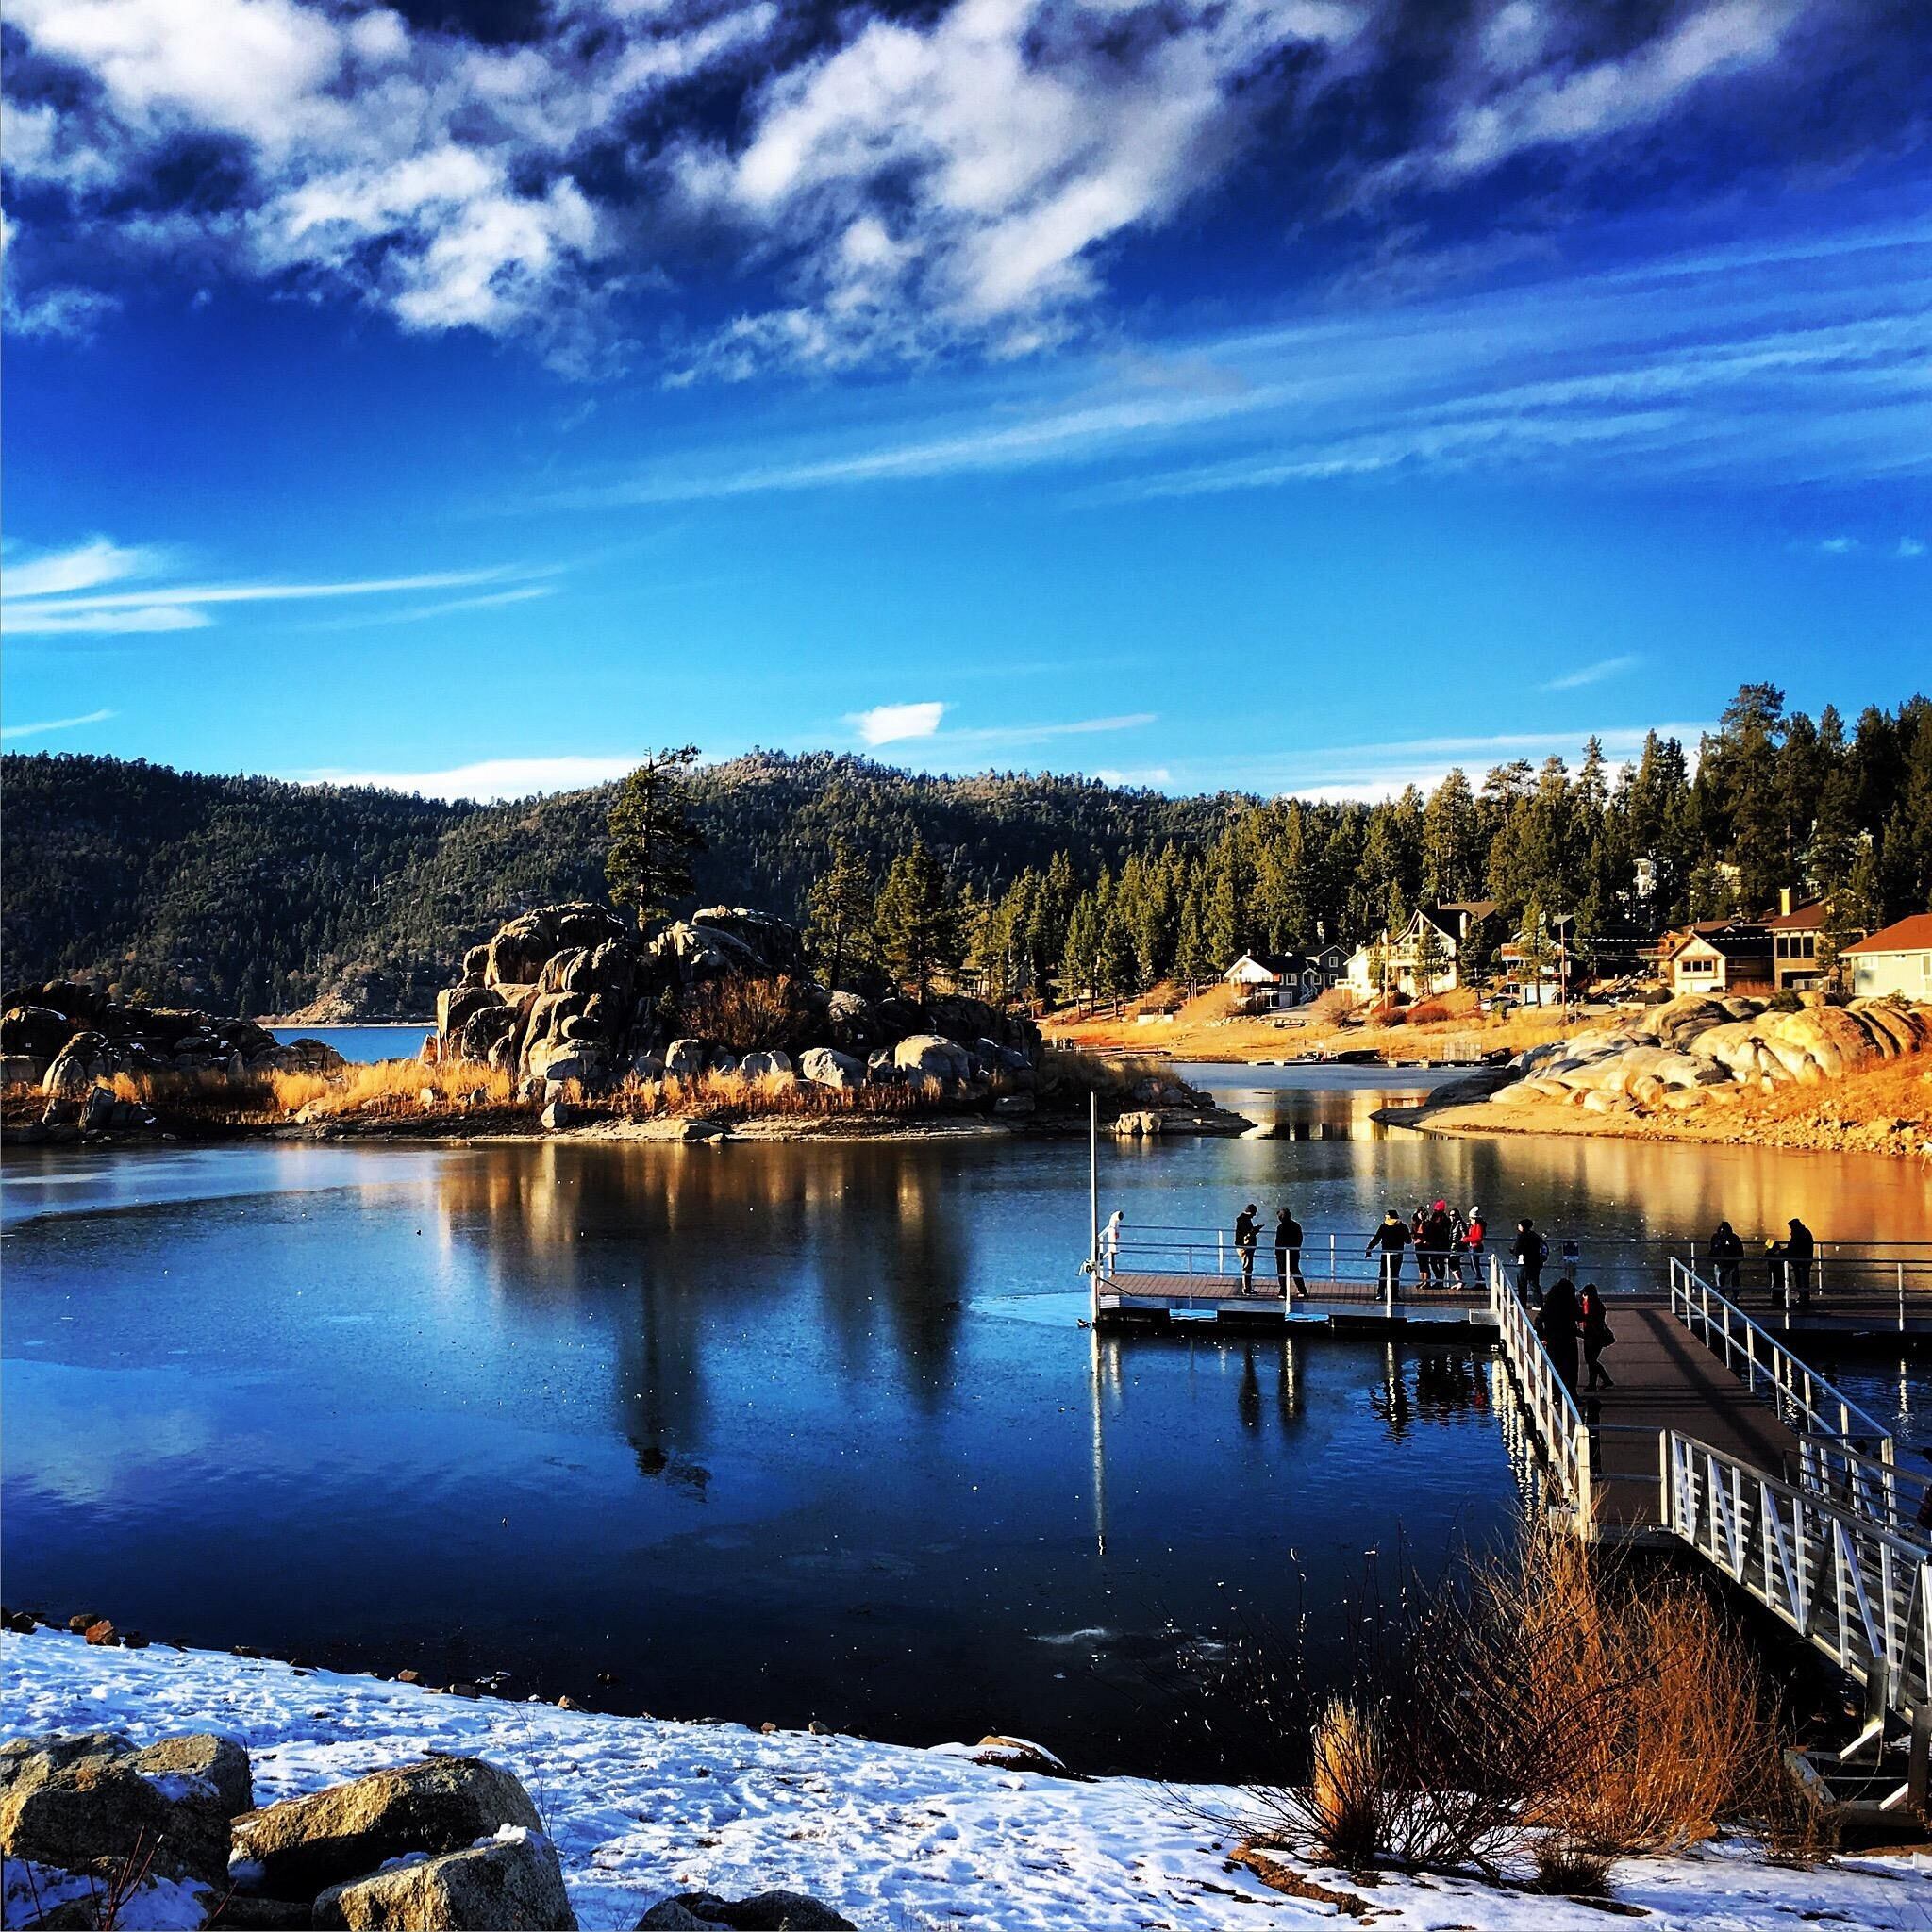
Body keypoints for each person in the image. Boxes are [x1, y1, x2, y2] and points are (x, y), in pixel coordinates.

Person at [1537, 1275, 1582, 1388]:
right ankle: (1571, 1392)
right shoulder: (1571, 1303)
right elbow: (1579, 1316)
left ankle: (1555, 1392)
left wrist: (1542, 1336)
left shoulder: (1550, 1305)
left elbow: (1538, 1320)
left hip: (1553, 1339)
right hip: (1568, 1339)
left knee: (1556, 1367)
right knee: (1571, 1368)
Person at [1770, 1217, 1815, 1308]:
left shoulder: (1800, 1234)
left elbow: (1794, 1248)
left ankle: (1804, 1298)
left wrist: (1782, 1253)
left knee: (1802, 1280)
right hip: (1802, 1260)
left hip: (1801, 1261)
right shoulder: (1803, 1232)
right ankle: (1804, 1297)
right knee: (1803, 1280)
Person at [1577, 1282, 1616, 1390]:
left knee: (1591, 1360)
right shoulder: (1597, 1305)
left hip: (1593, 1336)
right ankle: (1600, 1381)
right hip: (1595, 1335)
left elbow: (1586, 1318)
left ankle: (1597, 1382)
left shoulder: (1591, 1307)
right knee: (1592, 1360)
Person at [1366, 1210, 1410, 1299]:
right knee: (1395, 1274)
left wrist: (1369, 1248)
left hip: (1385, 1253)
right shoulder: (1403, 1227)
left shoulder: (1384, 1226)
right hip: (1398, 1254)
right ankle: (1394, 1295)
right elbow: (1408, 1241)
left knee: (1383, 1274)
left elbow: (1376, 1238)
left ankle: (1381, 1294)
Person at [1274, 1206, 1306, 1299]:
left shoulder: (1281, 1227)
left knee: (1282, 1272)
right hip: (1294, 1252)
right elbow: (1300, 1238)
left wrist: (1277, 1252)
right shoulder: (1296, 1225)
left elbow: (1278, 1241)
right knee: (1295, 1270)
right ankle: (1302, 1290)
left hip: (1283, 1253)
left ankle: (1283, 1291)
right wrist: (1296, 1248)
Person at [1422, 1199, 1454, 1286]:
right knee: (1435, 1263)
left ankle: (1439, 1281)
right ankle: (1439, 1280)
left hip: (1439, 1245)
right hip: (1437, 1245)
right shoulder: (1444, 1220)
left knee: (1439, 1263)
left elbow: (1441, 1232)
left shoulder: (1444, 1221)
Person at [1707, 1219, 1743, 1293]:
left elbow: (1740, 1252)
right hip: (1720, 1263)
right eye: (1722, 1232)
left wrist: (1735, 1262)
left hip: (1732, 1263)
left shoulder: (1734, 1238)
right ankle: (1721, 1297)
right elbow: (1712, 1251)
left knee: (1734, 1278)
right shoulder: (1716, 1238)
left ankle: (1734, 1297)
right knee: (1719, 1277)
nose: (1724, 1234)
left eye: (1726, 1232)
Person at [1513, 1218, 1547, 1296]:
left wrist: (1514, 1252)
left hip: (1524, 1263)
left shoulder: (1521, 1237)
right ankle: (1538, 1304)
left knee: (1522, 1285)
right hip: (1535, 1263)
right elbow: (1543, 1246)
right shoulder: (1535, 1236)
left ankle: (1522, 1303)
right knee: (1534, 1284)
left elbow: (1517, 1250)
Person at [1234, 1204, 1259, 1294]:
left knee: (1248, 1267)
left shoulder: (1242, 1219)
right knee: (1247, 1267)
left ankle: (1247, 1287)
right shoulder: (1245, 1220)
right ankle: (1246, 1289)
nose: (1254, 1215)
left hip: (1243, 1246)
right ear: (1250, 1212)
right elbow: (1247, 1235)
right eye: (1254, 1213)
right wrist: (1254, 1231)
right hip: (1245, 1247)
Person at [1101, 1209, 1124, 1276]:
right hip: (1112, 1238)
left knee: (1112, 1249)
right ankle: (1113, 1250)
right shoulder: (1113, 1224)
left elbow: (1115, 1227)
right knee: (1112, 1249)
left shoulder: (1114, 1222)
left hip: (1113, 1236)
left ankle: (1111, 1273)